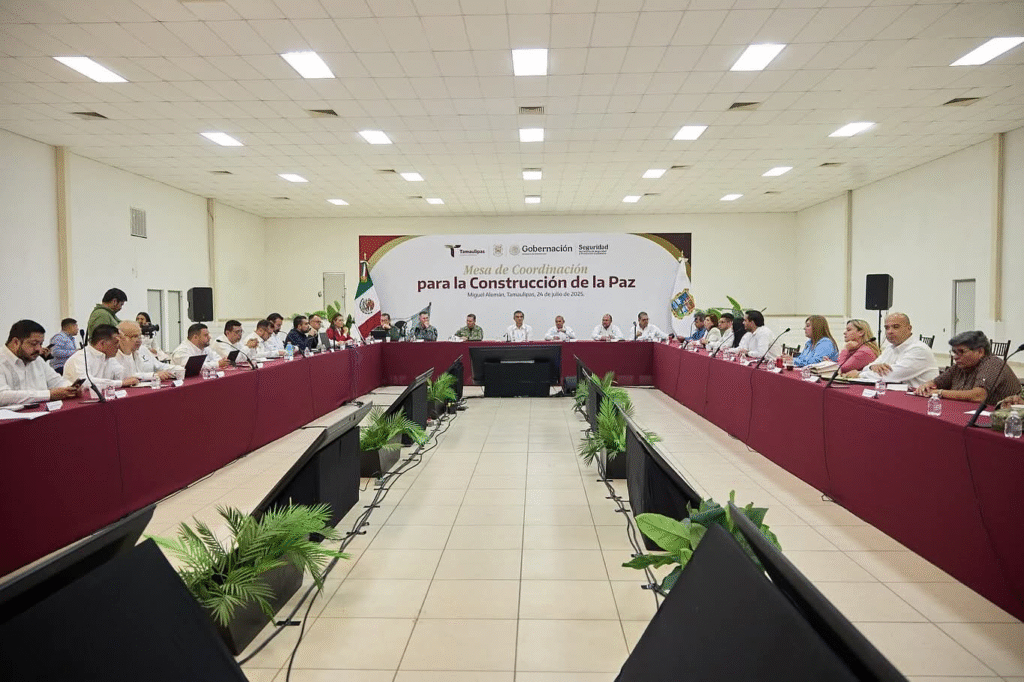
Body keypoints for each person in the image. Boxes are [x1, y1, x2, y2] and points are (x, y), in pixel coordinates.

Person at [914, 331, 1021, 404]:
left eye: (961, 352)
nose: (955, 357)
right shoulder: (960, 366)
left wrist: (940, 392)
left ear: (980, 352)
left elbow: (978, 396)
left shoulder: (992, 364)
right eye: (954, 352)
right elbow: (936, 383)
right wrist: (927, 385)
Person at [844, 312, 938, 388]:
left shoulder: (919, 350)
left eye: (896, 327)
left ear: (909, 328)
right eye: (887, 328)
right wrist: (872, 367)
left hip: (921, 398)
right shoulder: (891, 347)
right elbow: (870, 366)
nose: (890, 331)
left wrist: (860, 374)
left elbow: (892, 376)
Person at [1, 320, 78, 406]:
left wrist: (72, 388)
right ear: (15, 342)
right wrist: (49, 395)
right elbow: (2, 396)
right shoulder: (2, 360)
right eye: (33, 344)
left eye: (40, 344)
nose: (39, 349)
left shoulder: (37, 360)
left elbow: (57, 382)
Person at [64, 324, 140, 392]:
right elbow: (86, 382)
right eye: (116, 342)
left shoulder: (109, 358)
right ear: (102, 343)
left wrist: (126, 352)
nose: (118, 346)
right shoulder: (80, 357)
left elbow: (127, 378)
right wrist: (120, 383)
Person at [115, 321, 180, 381]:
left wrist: (179, 369)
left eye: (140, 335)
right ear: (121, 337)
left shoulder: (143, 349)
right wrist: (153, 375)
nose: (139, 340)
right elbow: (128, 376)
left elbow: (160, 366)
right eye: (135, 336)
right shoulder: (114, 354)